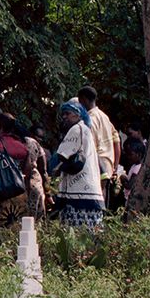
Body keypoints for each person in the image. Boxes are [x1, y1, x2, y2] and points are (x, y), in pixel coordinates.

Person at [52, 100, 105, 230]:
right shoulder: (85, 130)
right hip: (90, 196)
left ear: (78, 115)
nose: (64, 117)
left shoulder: (76, 129)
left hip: (78, 195)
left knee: (72, 239)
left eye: (67, 114)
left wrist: (56, 169)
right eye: (63, 114)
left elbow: (62, 156)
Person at [78, 85, 121, 210]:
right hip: (107, 165)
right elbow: (116, 140)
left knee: (95, 200)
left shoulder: (89, 120)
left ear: (84, 99)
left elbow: (89, 148)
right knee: (103, 199)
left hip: (96, 165)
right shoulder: (104, 116)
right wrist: (115, 166)